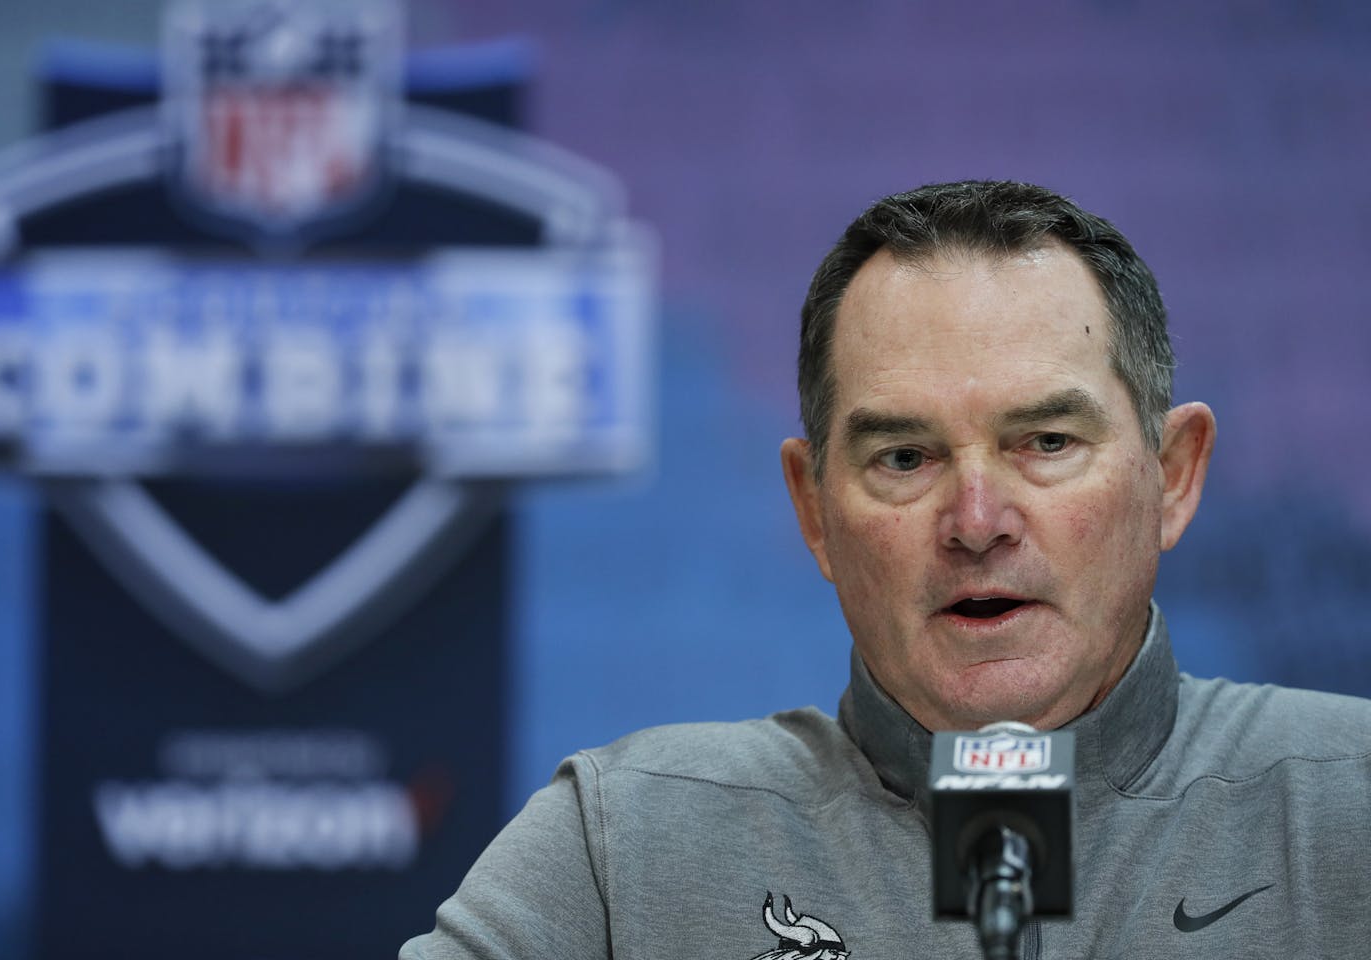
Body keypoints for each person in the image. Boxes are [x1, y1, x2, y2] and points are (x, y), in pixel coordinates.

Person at [401, 181, 1371, 959]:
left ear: (1172, 475)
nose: (978, 523)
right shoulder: (625, 847)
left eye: (1043, 440)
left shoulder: (1349, 804)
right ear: (813, 507)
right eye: (905, 458)